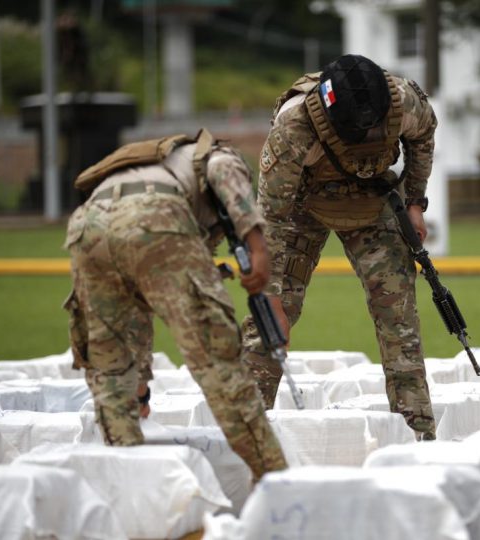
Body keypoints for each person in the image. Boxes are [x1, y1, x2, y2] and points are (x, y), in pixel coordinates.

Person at [63, 129, 288, 481]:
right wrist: (257, 248)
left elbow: (138, 317)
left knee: (109, 365)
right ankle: (277, 480)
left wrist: (139, 388)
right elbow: (223, 174)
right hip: (156, 216)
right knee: (217, 364)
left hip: (87, 225)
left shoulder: (151, 164)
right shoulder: (216, 154)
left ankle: (131, 486)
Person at [242, 54, 438, 440]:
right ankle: (246, 437)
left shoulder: (403, 102)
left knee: (399, 317)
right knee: (266, 327)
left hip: (371, 199)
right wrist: (272, 299)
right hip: (301, 204)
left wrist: (415, 204)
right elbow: (269, 221)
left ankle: (418, 437)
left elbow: (424, 136)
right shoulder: (295, 125)